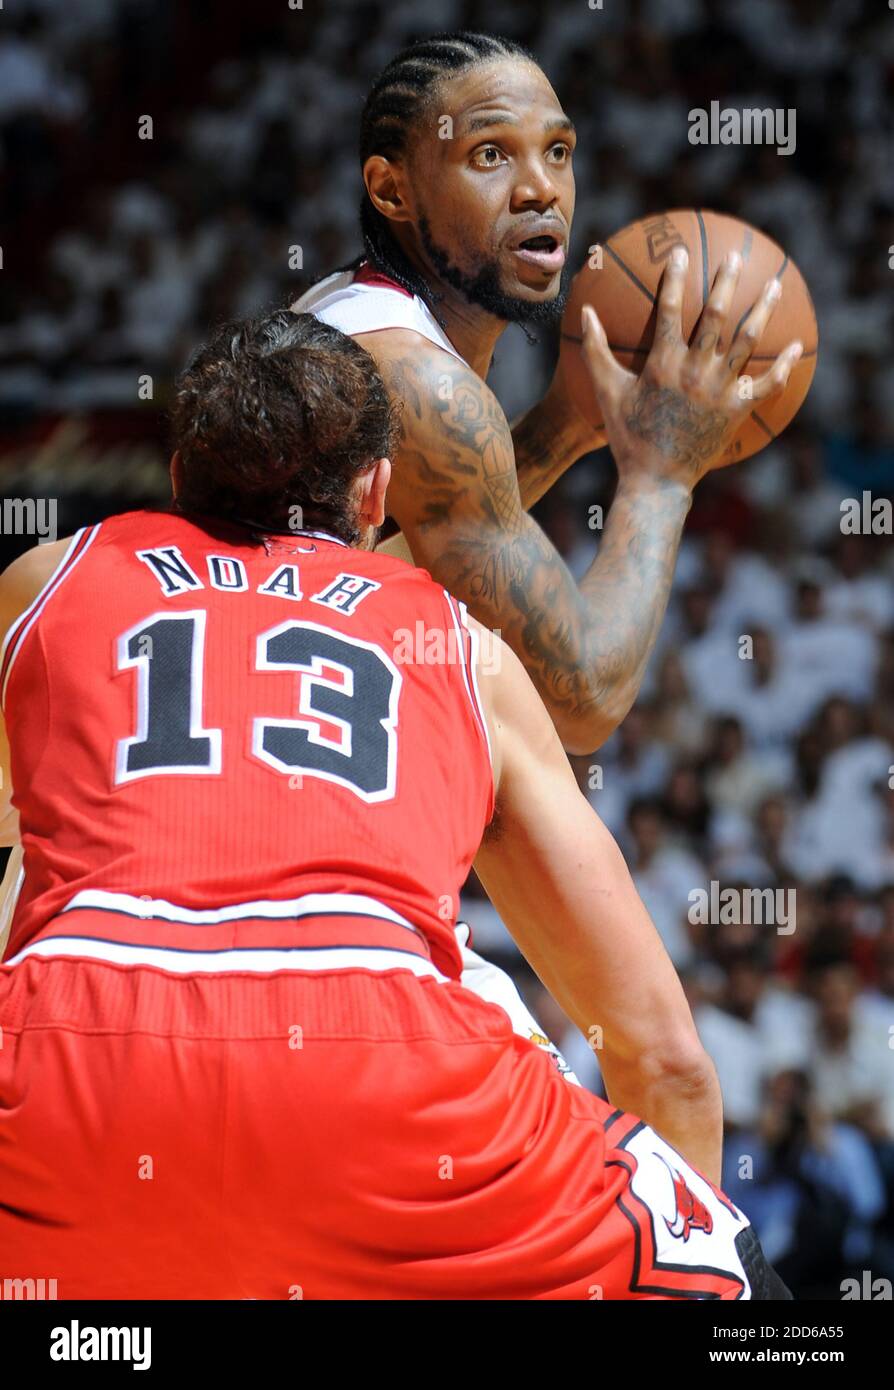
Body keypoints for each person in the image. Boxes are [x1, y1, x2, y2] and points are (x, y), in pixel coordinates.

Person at [0, 310, 788, 1299]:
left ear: (176, 478)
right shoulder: (456, 646)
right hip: (376, 1071)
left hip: (71, 1067)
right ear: (377, 489)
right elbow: (662, 1056)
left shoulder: (47, 579)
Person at [292, 28, 803, 755]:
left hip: (254, 728)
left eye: (557, 151)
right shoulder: (416, 379)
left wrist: (567, 424)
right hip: (251, 796)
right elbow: (585, 702)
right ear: (391, 189)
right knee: (509, 742)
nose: (541, 188)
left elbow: (394, 556)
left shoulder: (353, 306)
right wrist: (660, 478)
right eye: (490, 155)